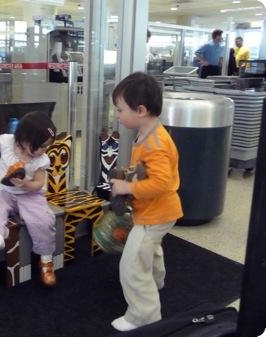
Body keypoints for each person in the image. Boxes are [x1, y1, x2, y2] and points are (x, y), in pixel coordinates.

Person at [109, 72, 183, 331]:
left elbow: (161, 183)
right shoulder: (148, 133)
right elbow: (150, 173)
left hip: (156, 214)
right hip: (156, 212)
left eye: (120, 109)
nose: (117, 115)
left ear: (140, 110)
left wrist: (128, 186)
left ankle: (144, 316)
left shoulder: (156, 143)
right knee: (149, 249)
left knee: (132, 263)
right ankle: (156, 281)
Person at [0, 111, 58, 287]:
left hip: (30, 195)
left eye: (47, 146)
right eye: (40, 146)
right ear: (23, 139)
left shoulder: (41, 159)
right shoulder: (8, 141)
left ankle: (46, 260)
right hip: (5, 191)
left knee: (44, 220)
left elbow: (39, 183)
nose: (43, 150)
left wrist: (25, 184)